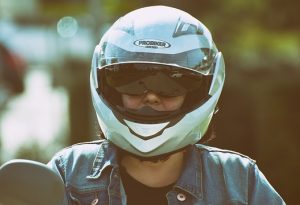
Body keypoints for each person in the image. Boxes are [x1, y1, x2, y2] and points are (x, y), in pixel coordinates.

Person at [48, 5, 285, 205]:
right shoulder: (68, 173)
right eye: (131, 81)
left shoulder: (239, 181)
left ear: (198, 91)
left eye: (171, 84)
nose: (151, 97)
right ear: (108, 87)